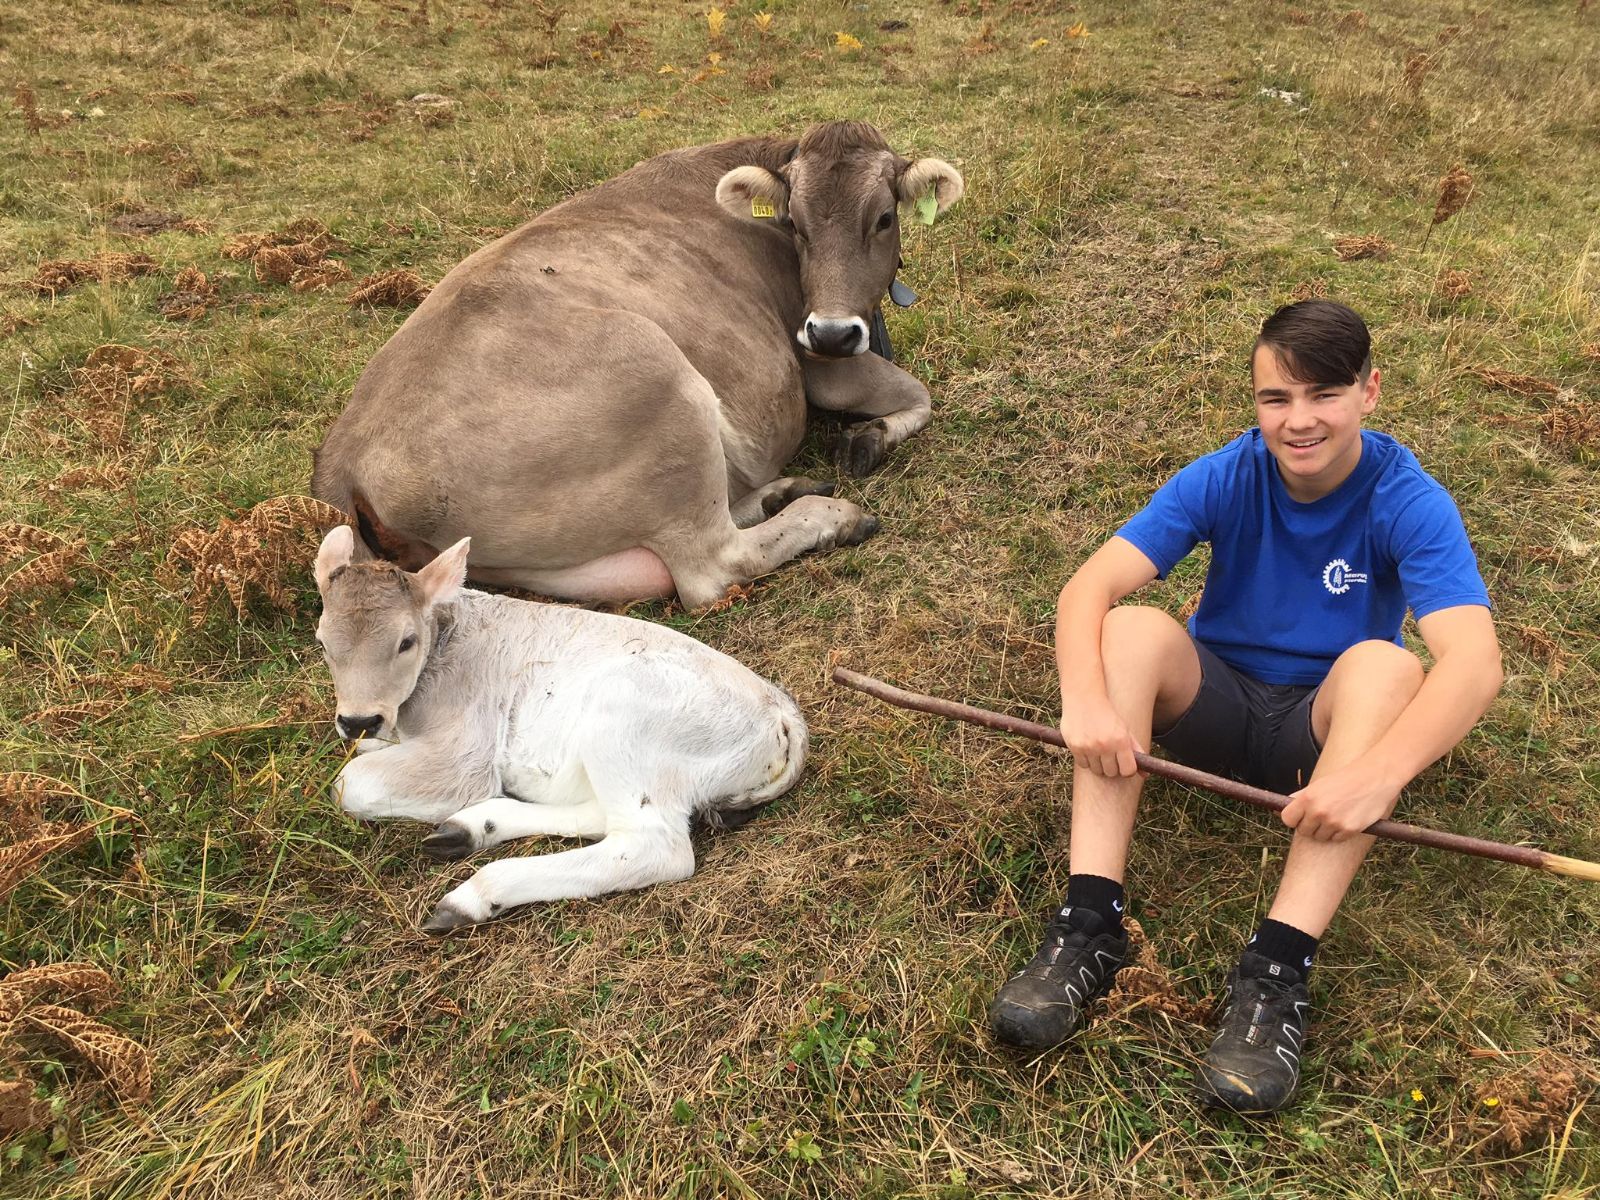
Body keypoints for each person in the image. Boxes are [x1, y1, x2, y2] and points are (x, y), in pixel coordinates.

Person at [988, 300, 1503, 1113]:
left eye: (1323, 394)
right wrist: (1083, 701)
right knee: (1128, 630)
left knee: (1384, 666)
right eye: (1275, 399)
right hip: (1211, 715)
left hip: (1321, 748)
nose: (1298, 422)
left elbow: (1475, 663)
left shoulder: (1409, 499)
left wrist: (1380, 777)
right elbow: (1089, 586)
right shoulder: (1229, 472)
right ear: (1255, 401)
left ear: (1371, 392)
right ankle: (1088, 924)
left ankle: (1276, 972)